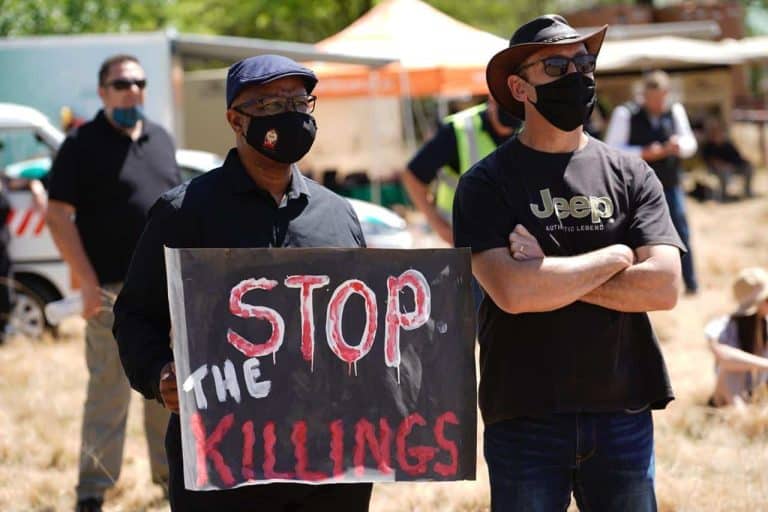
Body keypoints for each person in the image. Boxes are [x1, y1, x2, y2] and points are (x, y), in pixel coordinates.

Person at [112, 55, 372, 511]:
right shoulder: (184, 213)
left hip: (329, 463)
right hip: (224, 461)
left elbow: (369, 327)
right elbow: (135, 317)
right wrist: (158, 375)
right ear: (235, 119)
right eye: (271, 104)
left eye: (299, 102)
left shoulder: (339, 216)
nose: (290, 114)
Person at [453, 15, 684, 511]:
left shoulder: (631, 173)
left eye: (585, 62)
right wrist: (618, 256)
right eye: (557, 66)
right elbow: (512, 294)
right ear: (519, 87)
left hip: (622, 410)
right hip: (524, 416)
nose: (578, 75)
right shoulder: (484, 184)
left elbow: (664, 287)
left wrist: (548, 271)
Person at [46, 54, 178, 512]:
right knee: (108, 395)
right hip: (109, 296)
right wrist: (84, 282)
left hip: (164, 298)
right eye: (121, 83)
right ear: (102, 91)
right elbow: (57, 215)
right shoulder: (81, 144)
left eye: (139, 82)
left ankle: (170, 483)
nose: (132, 90)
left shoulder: (161, 140)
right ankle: (92, 492)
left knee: (166, 391)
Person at [605, 69, 699, 294]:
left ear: (666, 94)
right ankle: (638, 285)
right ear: (643, 95)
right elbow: (612, 148)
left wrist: (678, 147)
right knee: (636, 236)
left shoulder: (674, 111)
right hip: (635, 188)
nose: (657, 103)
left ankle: (689, 283)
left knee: (680, 232)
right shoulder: (625, 113)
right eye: (652, 98)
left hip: (669, 183)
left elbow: (690, 143)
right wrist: (645, 152)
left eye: (661, 98)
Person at [401, 97, 521, 246]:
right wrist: (442, 229)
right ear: (492, 98)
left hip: (511, 246)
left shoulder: (528, 129)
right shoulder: (459, 130)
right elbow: (412, 176)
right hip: (462, 244)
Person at [706, 267, 768, 409]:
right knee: (730, 372)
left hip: (760, 391)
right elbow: (725, 357)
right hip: (732, 397)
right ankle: (742, 419)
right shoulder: (723, 325)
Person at [700, 117, 753, 201]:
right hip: (716, 170)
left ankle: (747, 192)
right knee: (724, 172)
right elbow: (709, 160)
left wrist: (744, 162)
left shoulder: (728, 145)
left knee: (749, 167)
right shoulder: (708, 146)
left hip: (732, 167)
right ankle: (724, 196)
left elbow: (737, 157)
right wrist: (723, 165)